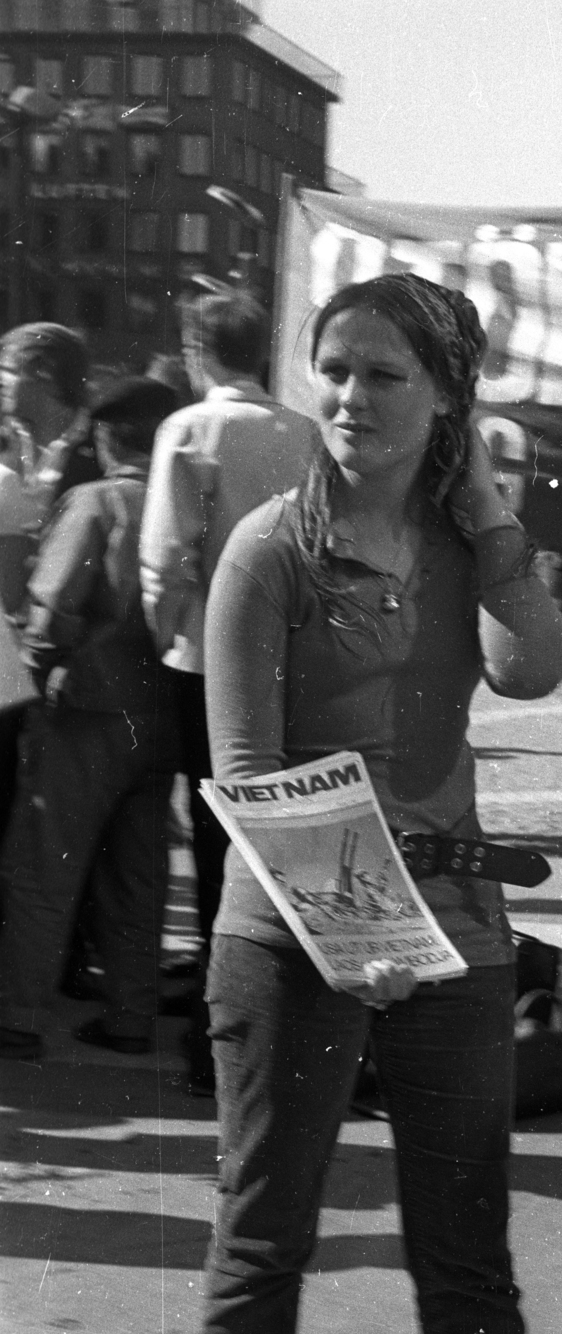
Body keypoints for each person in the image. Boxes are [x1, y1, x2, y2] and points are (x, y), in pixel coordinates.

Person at [187, 274, 562, 1334]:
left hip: (458, 932)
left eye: (383, 374)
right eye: (333, 369)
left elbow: (533, 668)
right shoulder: (268, 549)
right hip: (292, 928)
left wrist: (499, 525)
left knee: (466, 1254)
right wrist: (363, 933)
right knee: (266, 1229)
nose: (349, 398)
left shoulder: (471, 545)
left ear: (447, 396)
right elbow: (247, 779)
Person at [139, 289, 316, 1094]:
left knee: (211, 849)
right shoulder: (302, 431)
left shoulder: (189, 428)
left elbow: (166, 554)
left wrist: (164, 628)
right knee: (267, 837)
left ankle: (217, 1039)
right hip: (288, 658)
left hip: (204, 658)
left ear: (197, 348)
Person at [0, 377, 182, 1060]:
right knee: (137, 871)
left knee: (44, 866)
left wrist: (39, 670)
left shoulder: (99, 500)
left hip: (87, 708)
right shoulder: (186, 502)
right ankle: (131, 1014)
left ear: (108, 437)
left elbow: (49, 612)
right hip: (159, 708)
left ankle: (18, 1014)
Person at [0, 324, 100, 842]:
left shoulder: (97, 448)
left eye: (9, 371)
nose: (1, 384)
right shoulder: (7, 445)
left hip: (66, 661)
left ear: (42, 374)